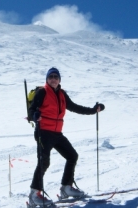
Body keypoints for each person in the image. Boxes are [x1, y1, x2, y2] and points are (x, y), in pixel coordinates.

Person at [28, 67, 105, 207]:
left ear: (59, 80)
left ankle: (66, 188)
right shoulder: (42, 92)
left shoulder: (62, 94)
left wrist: (94, 110)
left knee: (72, 156)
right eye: (50, 77)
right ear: (47, 79)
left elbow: (75, 107)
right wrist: (35, 116)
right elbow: (32, 109)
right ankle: (34, 194)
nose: (53, 79)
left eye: (56, 77)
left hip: (57, 134)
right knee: (44, 162)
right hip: (43, 132)